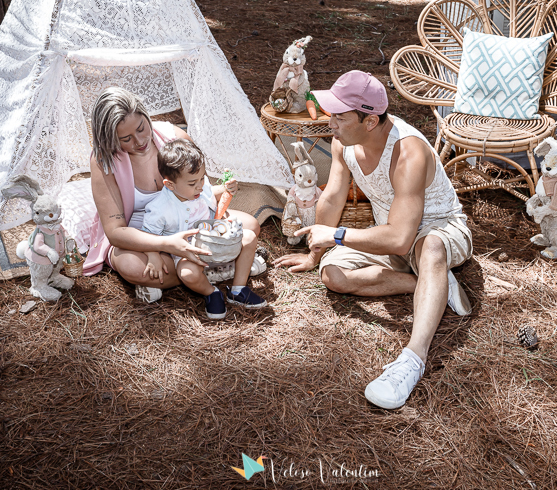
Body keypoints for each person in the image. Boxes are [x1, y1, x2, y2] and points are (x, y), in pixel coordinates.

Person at [273, 70, 473, 410]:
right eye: (331, 113)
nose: (330, 122)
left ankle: (412, 359)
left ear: (369, 121)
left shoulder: (409, 152)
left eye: (340, 115)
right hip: (394, 236)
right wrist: (315, 254)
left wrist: (336, 235)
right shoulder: (343, 142)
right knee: (333, 277)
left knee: (432, 246)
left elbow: (399, 238)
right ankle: (428, 285)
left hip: (438, 230)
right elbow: (334, 197)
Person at [84, 87, 264, 303]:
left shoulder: (174, 137)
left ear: (146, 116)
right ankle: (220, 269)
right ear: (110, 139)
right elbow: (115, 232)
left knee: (250, 225)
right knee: (131, 266)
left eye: (142, 129)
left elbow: (199, 187)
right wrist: (164, 245)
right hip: (143, 233)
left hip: (189, 220)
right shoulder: (105, 161)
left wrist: (216, 208)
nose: (140, 141)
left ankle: (194, 273)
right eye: (126, 139)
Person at [142, 139, 267, 319]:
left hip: (215, 240)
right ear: (170, 185)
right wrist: (153, 255)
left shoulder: (200, 187)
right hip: (189, 252)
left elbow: (210, 190)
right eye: (193, 183)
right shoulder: (160, 208)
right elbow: (148, 234)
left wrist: (226, 188)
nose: (200, 185)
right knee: (187, 273)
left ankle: (238, 289)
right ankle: (211, 292)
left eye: (202, 178)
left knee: (248, 237)